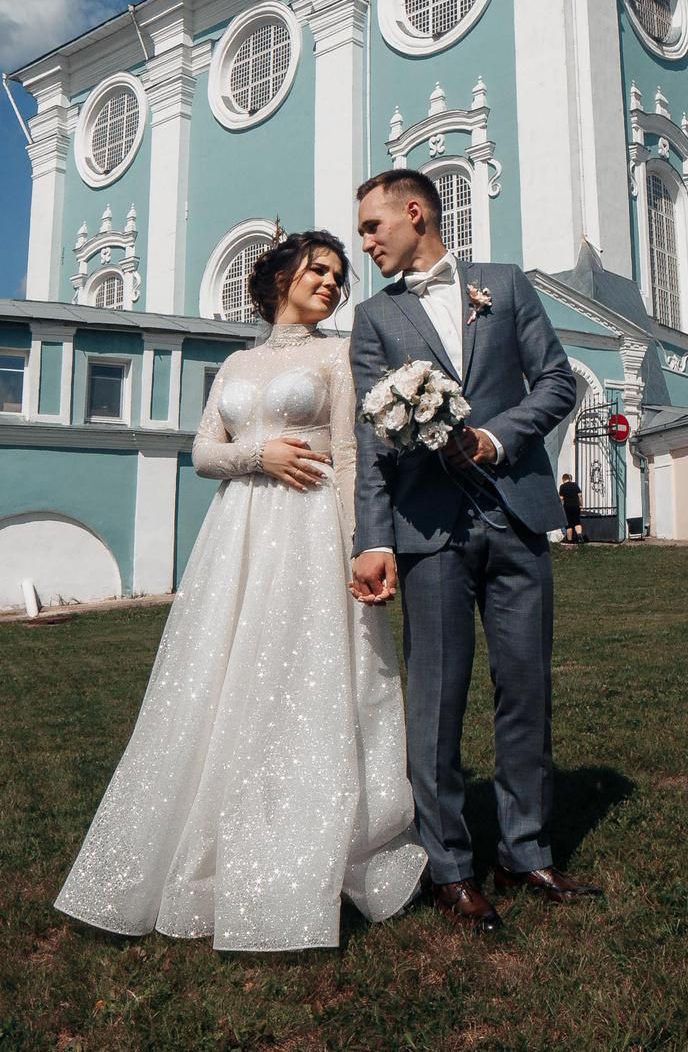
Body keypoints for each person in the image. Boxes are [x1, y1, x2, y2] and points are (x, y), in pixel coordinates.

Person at [55, 229, 425, 951]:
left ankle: (316, 848)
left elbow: (350, 450)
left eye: (339, 275)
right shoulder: (235, 362)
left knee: (308, 673)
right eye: (318, 270)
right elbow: (201, 452)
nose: (331, 283)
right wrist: (259, 453)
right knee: (221, 676)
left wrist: (363, 543)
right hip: (239, 534)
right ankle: (205, 852)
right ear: (281, 277)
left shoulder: (338, 353)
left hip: (314, 527)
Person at [348, 169, 601, 934]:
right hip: (429, 536)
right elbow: (372, 446)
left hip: (517, 518)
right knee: (437, 704)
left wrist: (497, 436)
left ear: (413, 211)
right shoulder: (372, 318)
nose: (366, 241)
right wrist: (373, 540)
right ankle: (450, 867)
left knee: (526, 687)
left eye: (372, 226)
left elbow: (558, 383)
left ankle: (526, 849)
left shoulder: (505, 285)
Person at [559, 472, 585, 544]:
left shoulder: (562, 487)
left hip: (567, 506)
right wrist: (581, 505)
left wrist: (562, 505)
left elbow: (562, 498)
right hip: (575, 505)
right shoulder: (575, 485)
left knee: (569, 523)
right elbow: (579, 495)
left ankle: (570, 540)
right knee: (577, 521)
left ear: (563, 479)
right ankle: (580, 536)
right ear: (569, 479)